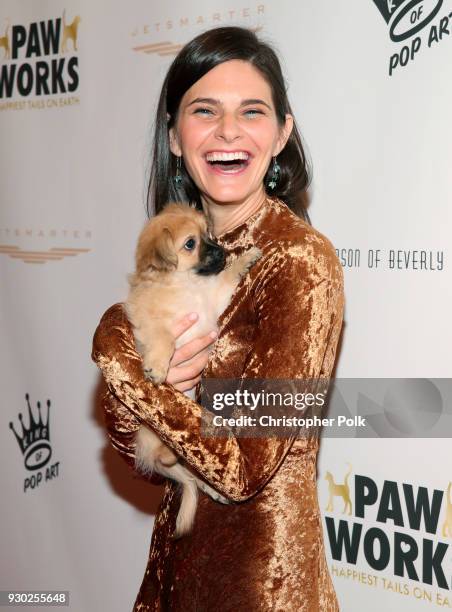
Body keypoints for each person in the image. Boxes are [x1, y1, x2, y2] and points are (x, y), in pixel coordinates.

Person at [92, 26, 345, 611]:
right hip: (177, 570)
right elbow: (144, 457)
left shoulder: (298, 261)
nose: (228, 131)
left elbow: (241, 469)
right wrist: (144, 393)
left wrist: (121, 357)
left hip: (264, 584)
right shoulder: (177, 250)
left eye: (252, 112)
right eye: (204, 110)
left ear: (281, 134)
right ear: (176, 136)